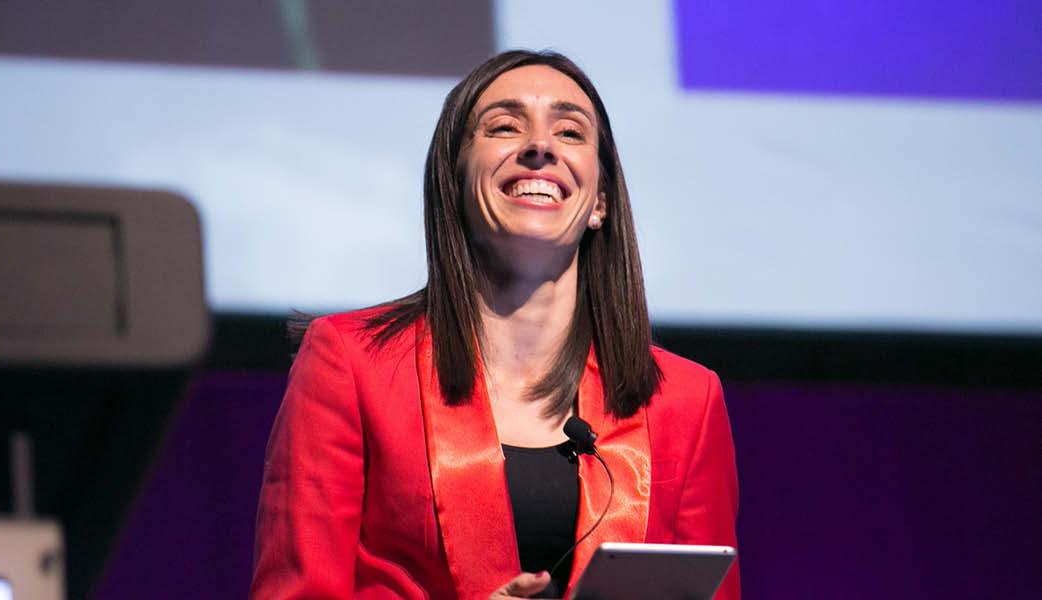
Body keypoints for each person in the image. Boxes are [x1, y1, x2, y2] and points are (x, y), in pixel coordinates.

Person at [250, 50, 739, 600]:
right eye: (504, 127)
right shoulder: (349, 363)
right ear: (454, 183)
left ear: (599, 200)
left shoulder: (686, 400)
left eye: (571, 132)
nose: (540, 146)